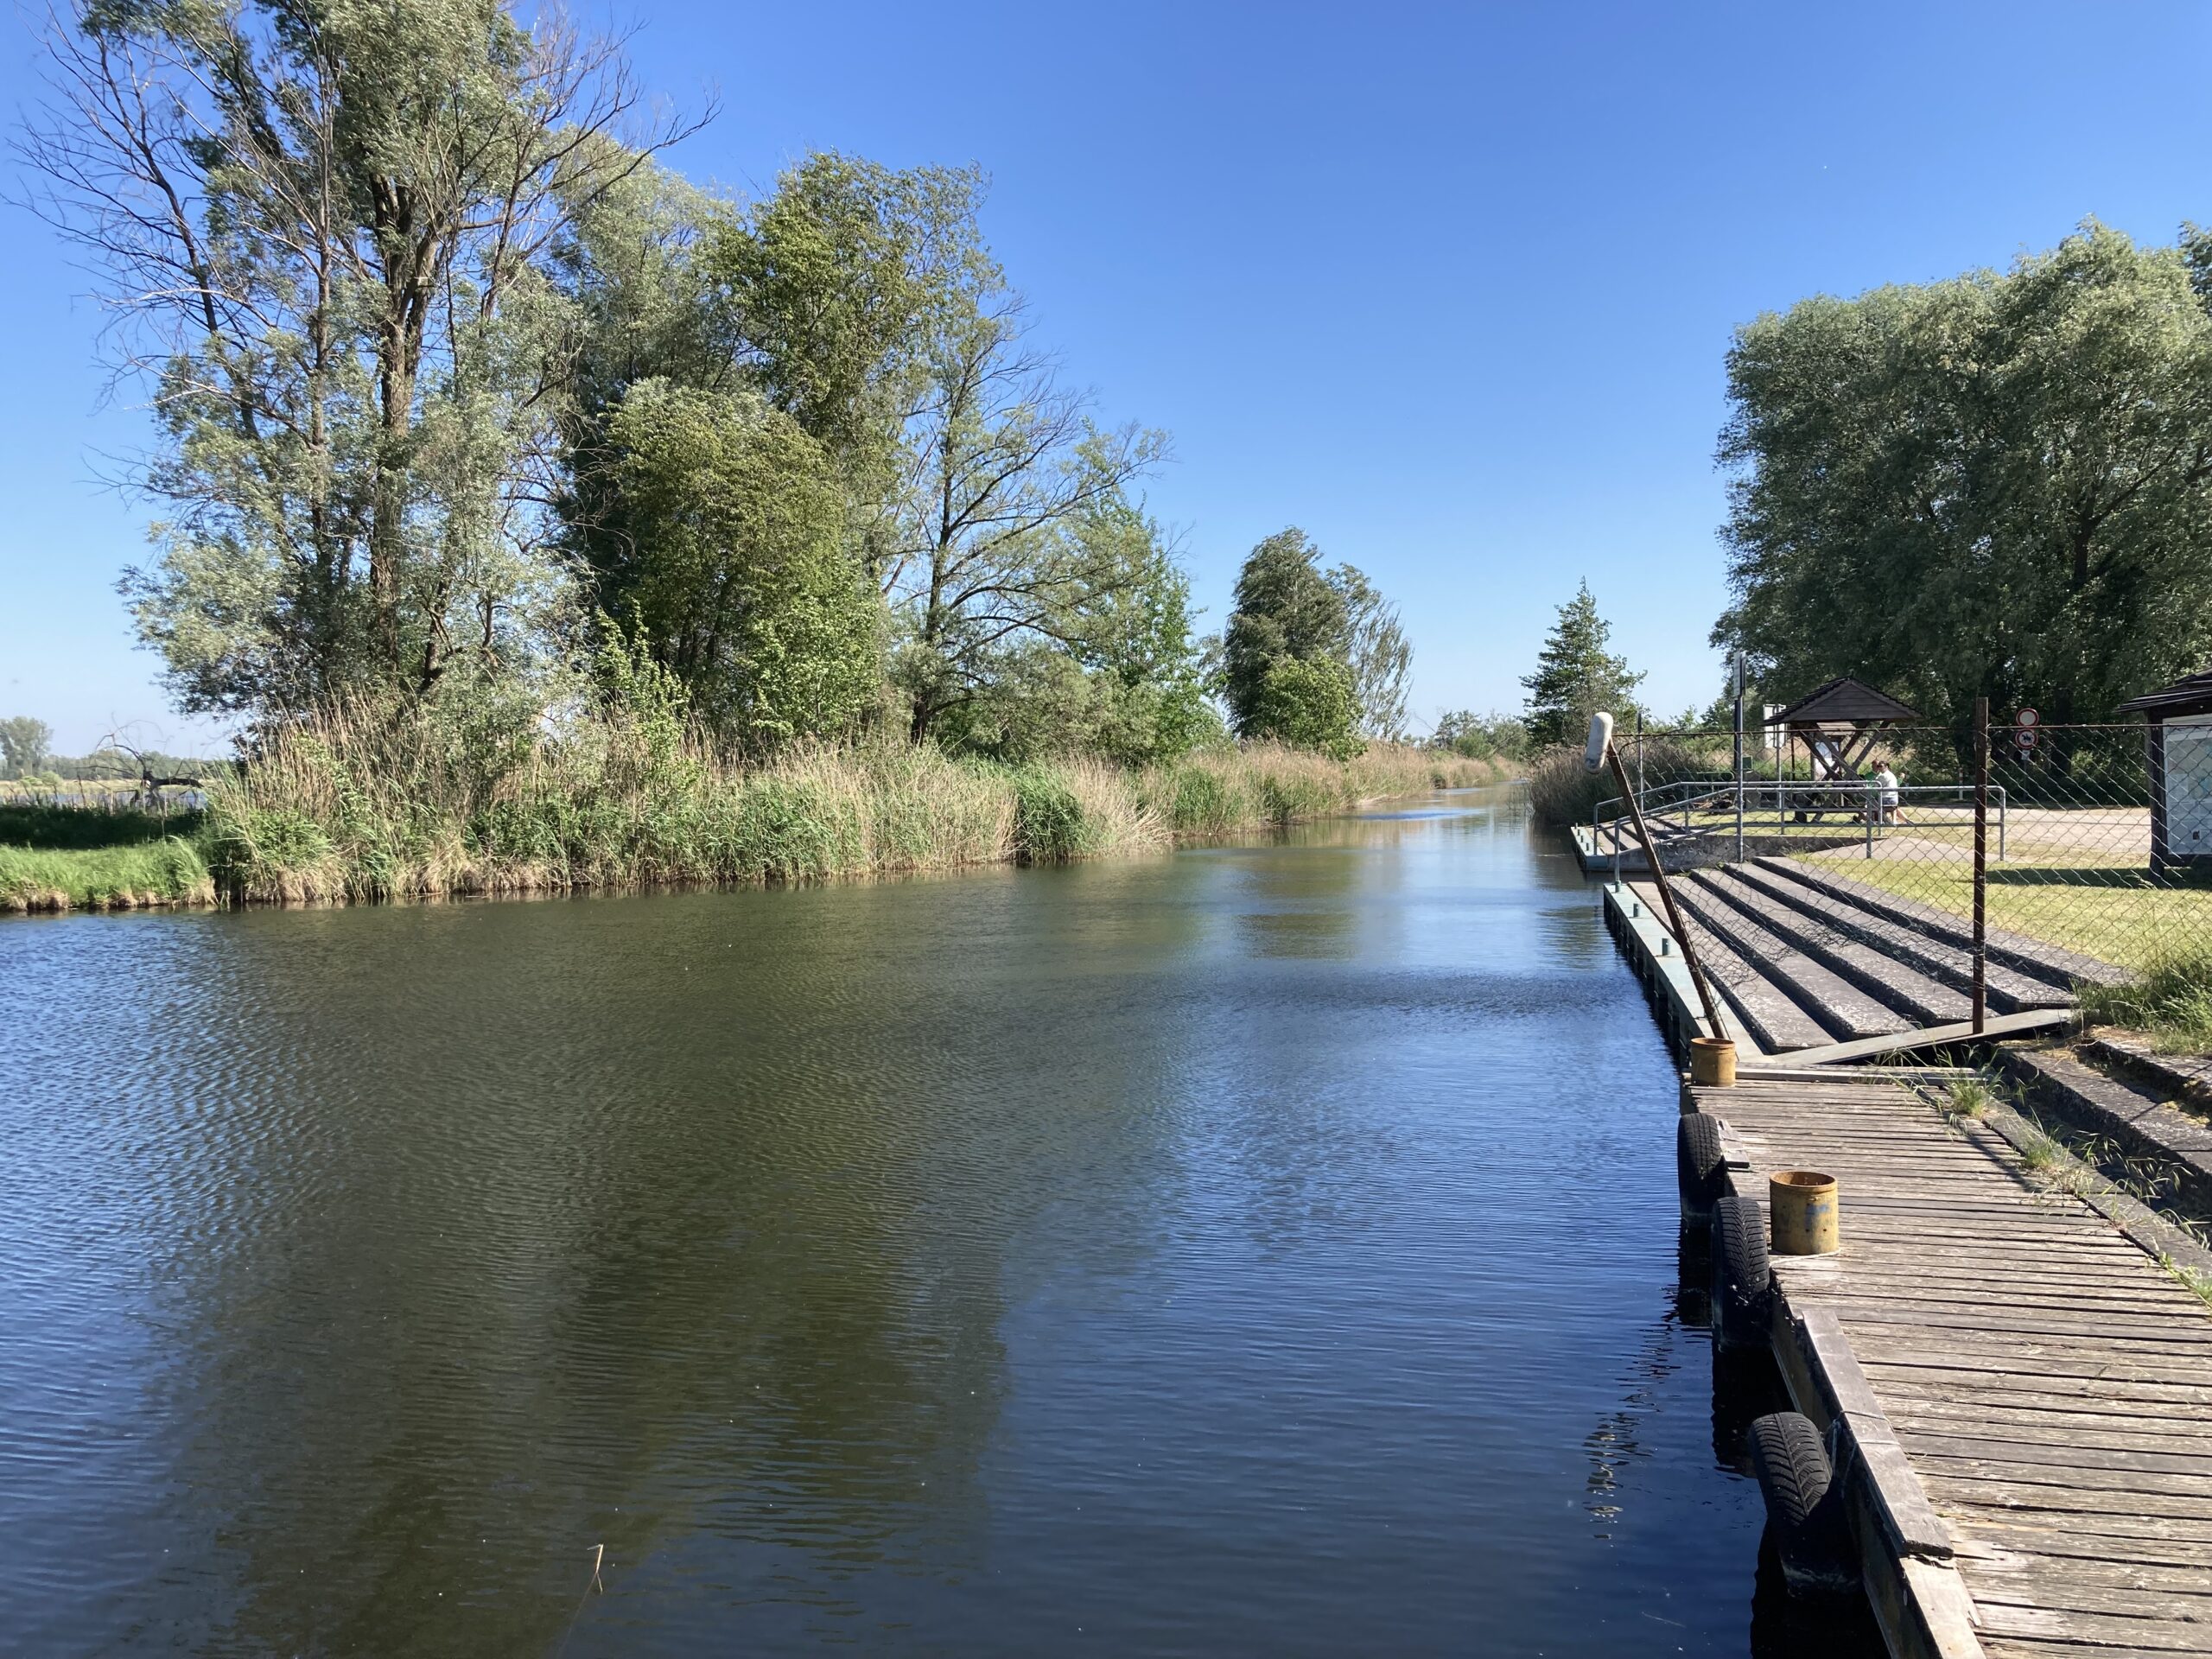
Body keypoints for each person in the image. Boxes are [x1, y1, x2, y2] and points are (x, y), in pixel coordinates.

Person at [1873, 761, 1905, 825]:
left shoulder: (1882, 776)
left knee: (1872, 802)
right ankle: (1894, 820)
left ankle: (1880, 820)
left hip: (1885, 799)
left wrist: (1876, 778)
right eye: (1878, 766)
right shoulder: (1892, 774)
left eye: (1881, 766)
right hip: (1895, 799)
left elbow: (1876, 786)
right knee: (1894, 808)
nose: (1879, 768)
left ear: (1886, 767)